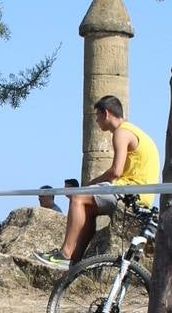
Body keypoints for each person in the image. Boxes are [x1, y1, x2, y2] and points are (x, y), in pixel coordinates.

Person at [34, 95, 160, 269]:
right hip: (140, 194)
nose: (96, 120)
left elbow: (116, 171)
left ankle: (65, 254)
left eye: (97, 115)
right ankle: (75, 261)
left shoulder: (121, 132)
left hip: (130, 192)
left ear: (106, 113)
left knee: (78, 197)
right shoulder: (134, 131)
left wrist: (92, 183)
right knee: (88, 208)